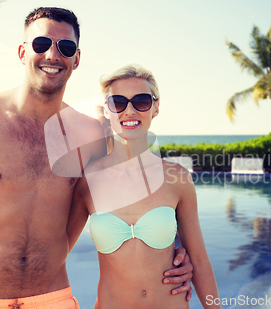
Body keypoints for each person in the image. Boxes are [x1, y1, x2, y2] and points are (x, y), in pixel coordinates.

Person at [0, 7, 193, 309]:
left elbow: (131, 199)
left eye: (65, 47)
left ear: (76, 59)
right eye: (41, 44)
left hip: (54, 299)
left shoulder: (91, 134)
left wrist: (178, 252)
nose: (53, 55)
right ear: (22, 51)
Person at [67, 64, 221, 309]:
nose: (129, 111)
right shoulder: (88, 182)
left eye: (141, 101)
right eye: (118, 102)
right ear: (107, 109)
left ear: (156, 107)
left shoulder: (177, 178)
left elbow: (200, 260)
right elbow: (57, 253)